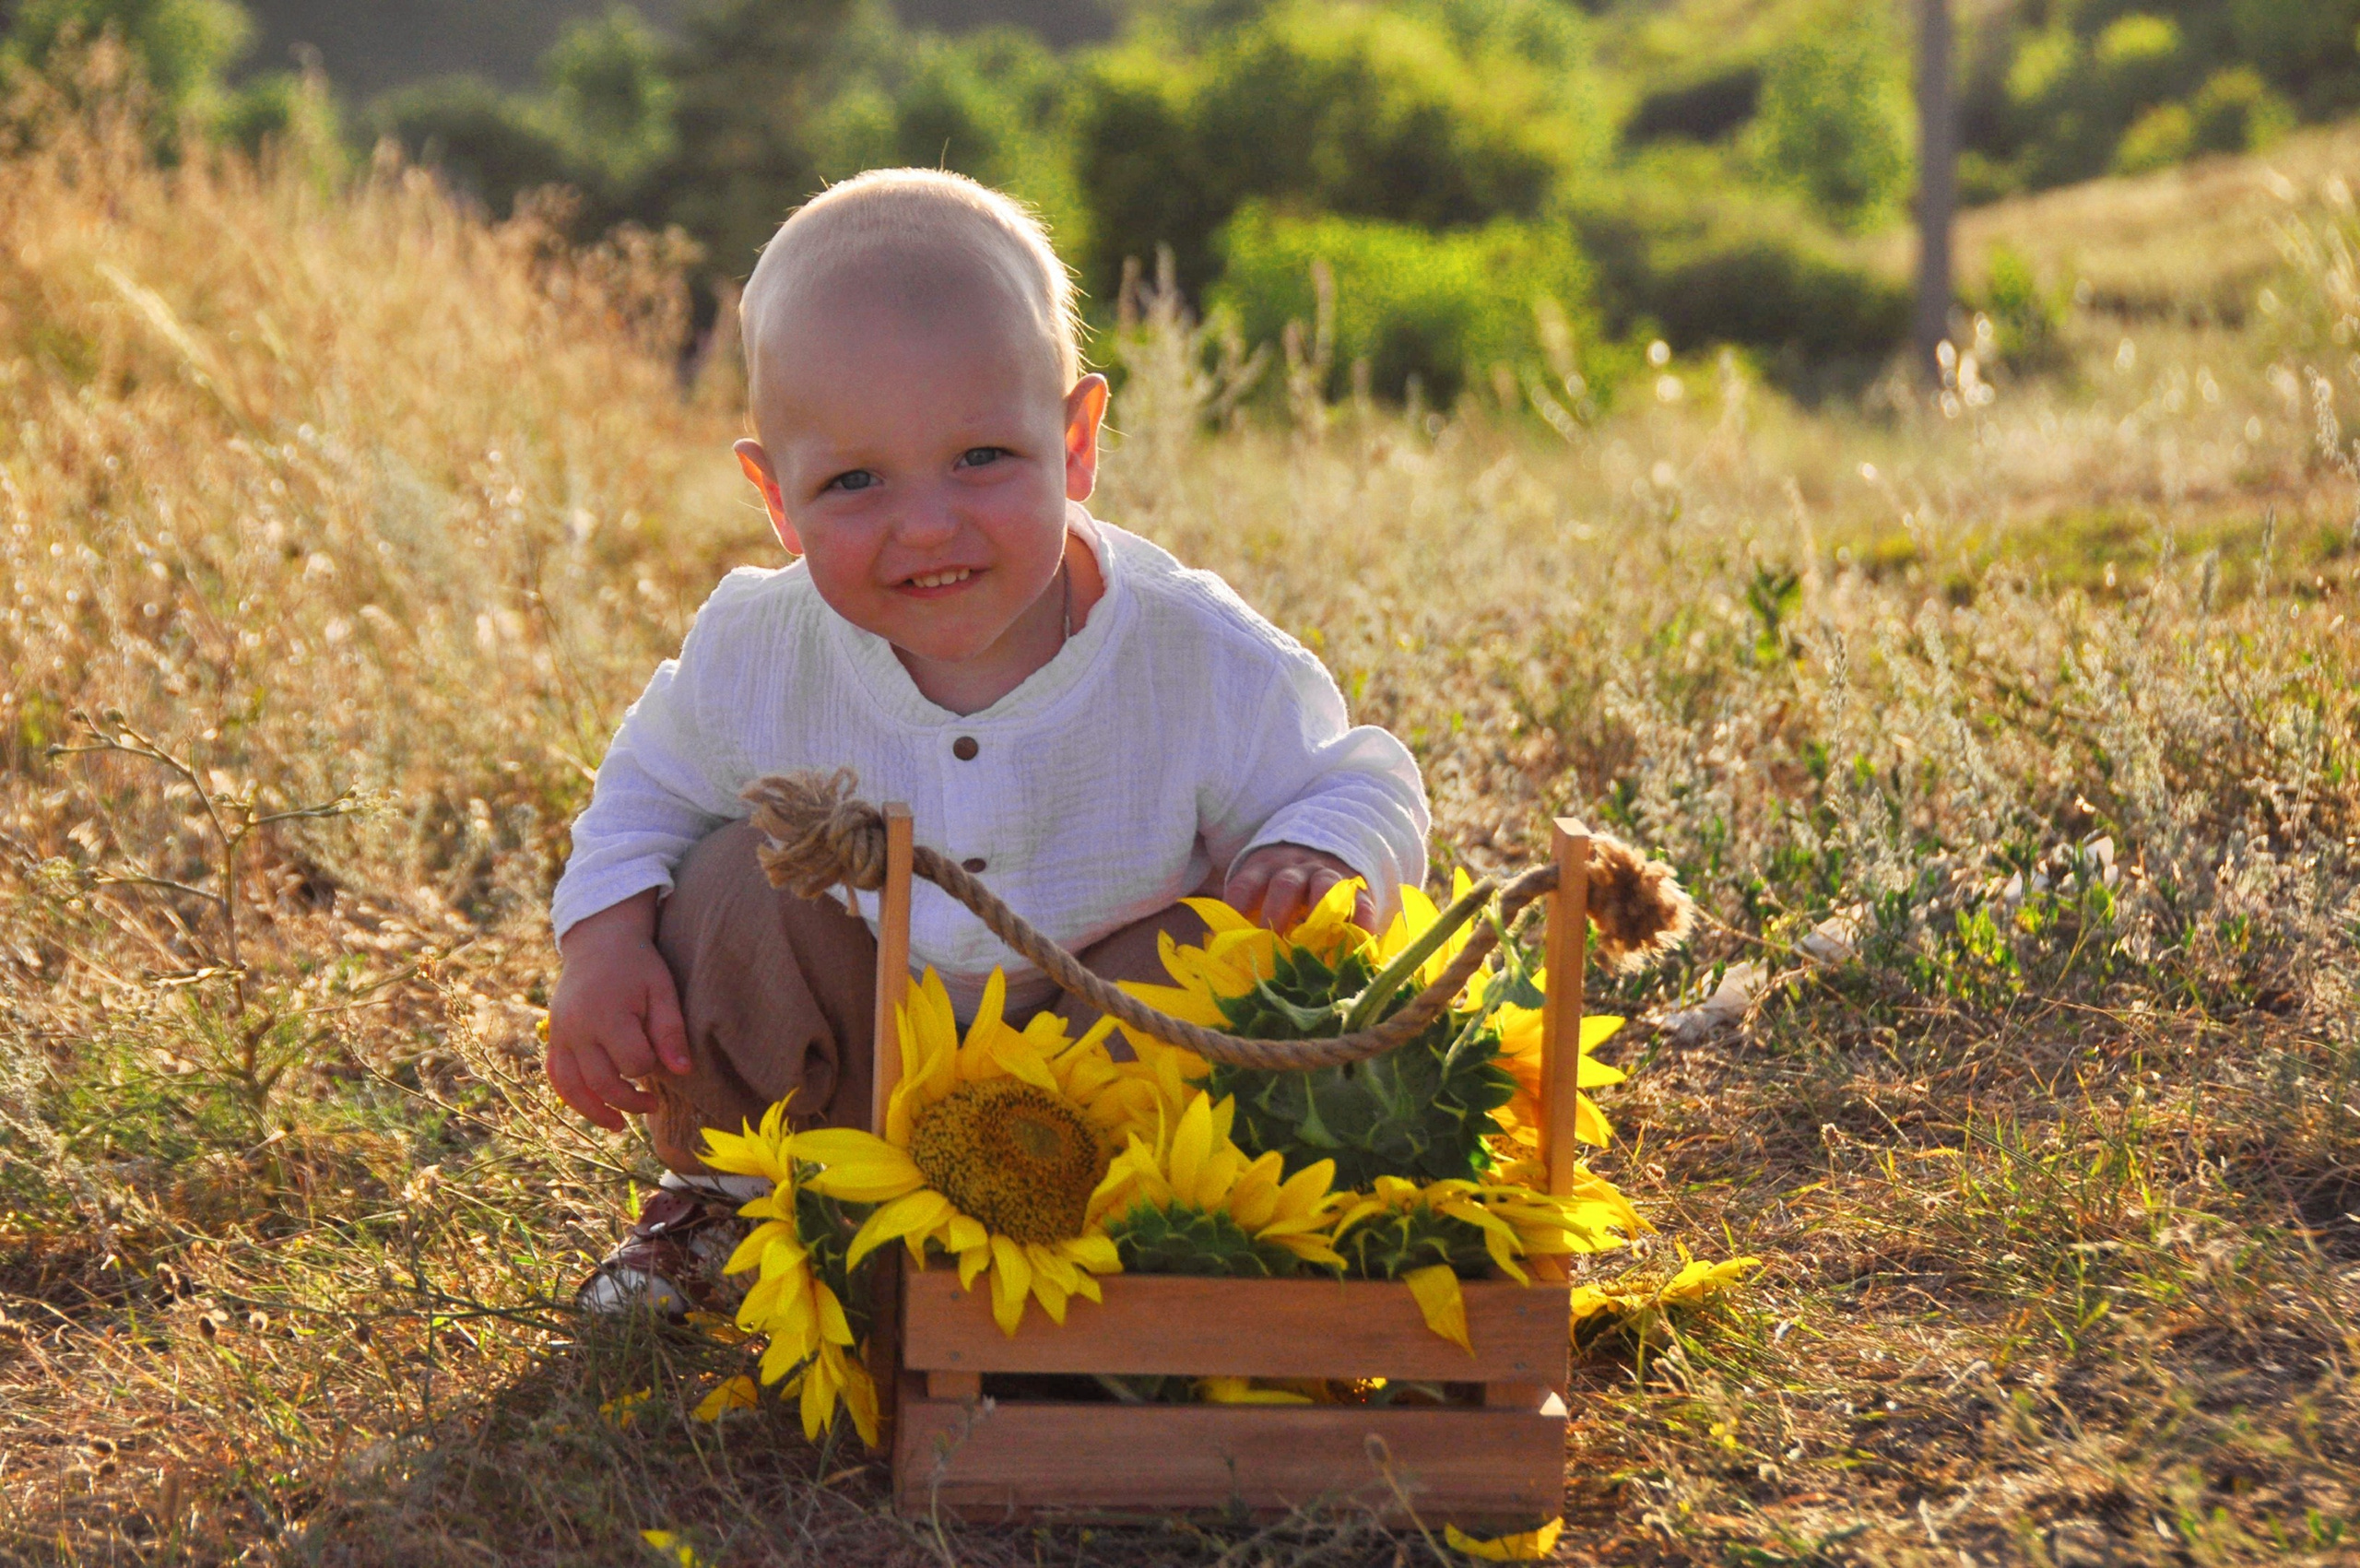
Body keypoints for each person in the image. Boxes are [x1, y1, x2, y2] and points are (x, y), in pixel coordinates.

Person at [544, 168, 1428, 1314]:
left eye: (981, 460)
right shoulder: (762, 647)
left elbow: (1357, 774)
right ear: (775, 497)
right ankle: (736, 1197)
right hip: (856, 1050)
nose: (927, 524)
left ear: (1075, 443)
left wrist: (1323, 850)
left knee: (1218, 952)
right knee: (722, 884)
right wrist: (602, 944)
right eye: (855, 481)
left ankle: (1130, 1239)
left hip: (1097, 1058)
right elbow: (644, 794)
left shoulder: (1189, 654)